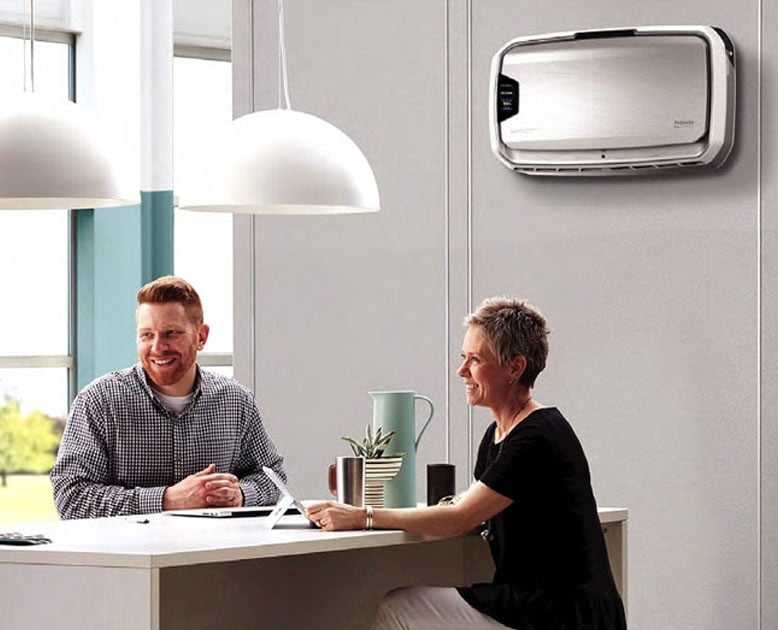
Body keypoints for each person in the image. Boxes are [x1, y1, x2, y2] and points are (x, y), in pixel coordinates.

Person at [307, 297, 627, 630]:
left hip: (560, 614)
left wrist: (364, 516)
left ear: (514, 368)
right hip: (542, 606)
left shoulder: (536, 436)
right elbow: (472, 505)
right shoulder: (499, 435)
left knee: (397, 608)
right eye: (464, 358)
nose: (462, 371)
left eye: (475, 360)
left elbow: (461, 518)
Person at [51, 275, 285, 520]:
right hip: (129, 556)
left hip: (212, 555)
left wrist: (241, 495)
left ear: (201, 337)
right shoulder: (98, 401)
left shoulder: (236, 401)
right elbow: (71, 497)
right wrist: (167, 499)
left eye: (171, 333)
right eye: (147, 335)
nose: (157, 347)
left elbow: (272, 477)